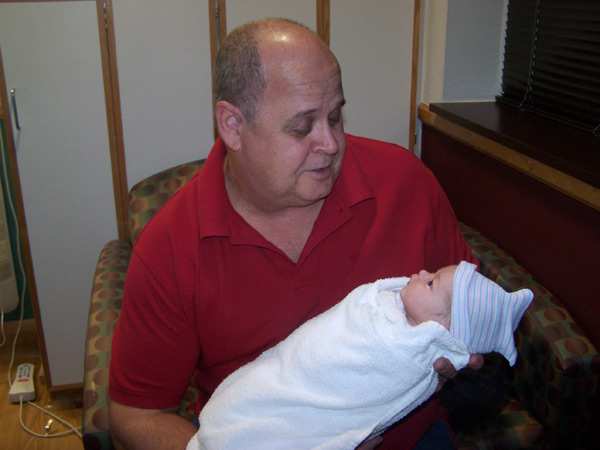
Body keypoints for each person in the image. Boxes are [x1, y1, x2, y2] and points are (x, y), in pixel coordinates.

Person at [109, 18, 483, 450]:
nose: (331, 143)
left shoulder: (406, 183)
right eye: (302, 127)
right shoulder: (170, 246)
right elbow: (136, 415)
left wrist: (465, 349)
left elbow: (472, 307)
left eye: (335, 116)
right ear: (232, 125)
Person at [188, 261, 533, 450]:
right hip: (281, 380)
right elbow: (318, 346)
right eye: (431, 274)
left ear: (442, 328)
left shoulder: (405, 353)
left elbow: (358, 381)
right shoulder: (386, 307)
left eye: (431, 283)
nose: (421, 273)